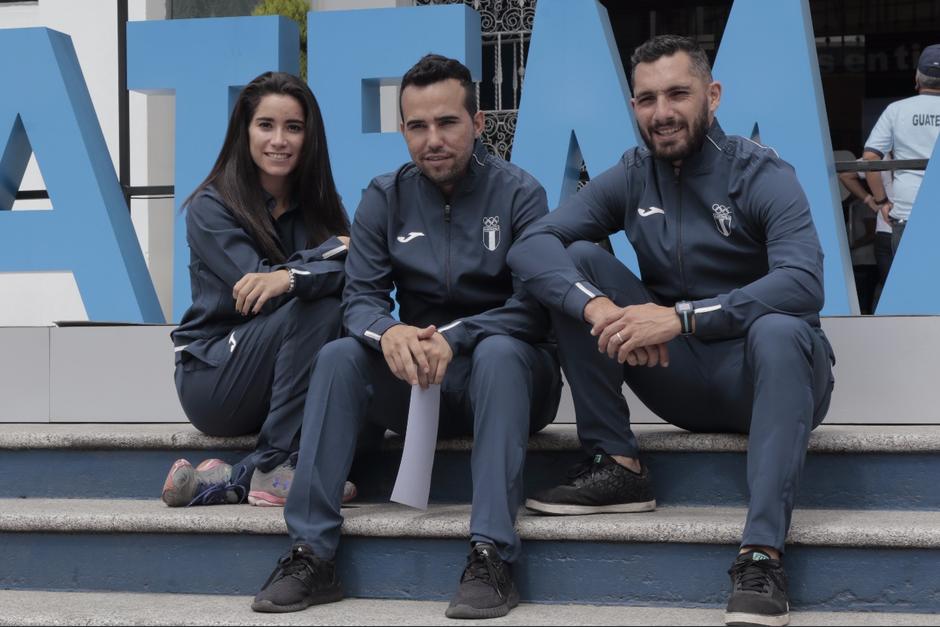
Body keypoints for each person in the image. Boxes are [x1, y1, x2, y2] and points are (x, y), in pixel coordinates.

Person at [506, 35, 835, 627]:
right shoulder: (631, 175)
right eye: (646, 99)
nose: (661, 113)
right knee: (577, 260)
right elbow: (531, 245)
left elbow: (803, 282)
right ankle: (616, 466)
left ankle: (761, 555)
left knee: (781, 331)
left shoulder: (761, 172)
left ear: (711, 94)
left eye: (678, 94)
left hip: (766, 375)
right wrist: (599, 309)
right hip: (677, 372)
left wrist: (681, 316)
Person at [251, 54, 561, 619]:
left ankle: (491, 555)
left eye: (447, 123)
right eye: (417, 127)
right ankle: (310, 553)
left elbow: (534, 307)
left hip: (509, 373)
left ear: (479, 122)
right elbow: (360, 298)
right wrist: (387, 331)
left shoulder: (521, 194)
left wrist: (458, 336)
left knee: (498, 350)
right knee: (342, 355)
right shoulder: (384, 195)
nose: (432, 140)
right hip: (422, 381)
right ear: (403, 130)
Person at [163, 72, 356, 509]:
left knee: (350, 360)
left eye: (293, 127)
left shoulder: (319, 206)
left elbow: (359, 275)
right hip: (214, 374)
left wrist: (289, 275)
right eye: (265, 125)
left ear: (310, 137)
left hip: (282, 377)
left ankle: (230, 477)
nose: (279, 140)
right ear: (245, 132)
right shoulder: (212, 206)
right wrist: (326, 258)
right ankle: (273, 464)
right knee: (319, 311)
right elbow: (258, 291)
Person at [862, 43, 940, 268]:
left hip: (907, 214)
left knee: (911, 291)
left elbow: (870, 157)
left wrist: (881, 201)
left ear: (917, 77)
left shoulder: (896, 110)